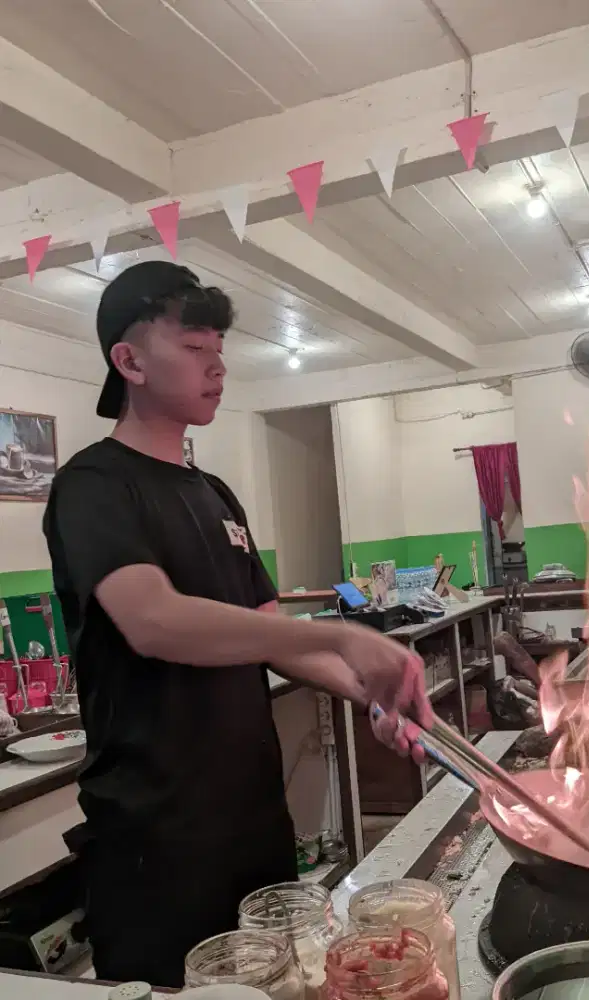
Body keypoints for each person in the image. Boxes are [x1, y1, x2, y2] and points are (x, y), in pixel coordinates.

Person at [43, 261, 431, 988]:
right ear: (127, 360)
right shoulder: (93, 486)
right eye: (193, 348)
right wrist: (334, 632)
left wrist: (369, 693)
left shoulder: (215, 493)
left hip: (252, 819)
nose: (217, 367)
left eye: (219, 347)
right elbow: (154, 622)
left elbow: (266, 635)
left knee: (274, 983)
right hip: (155, 835)